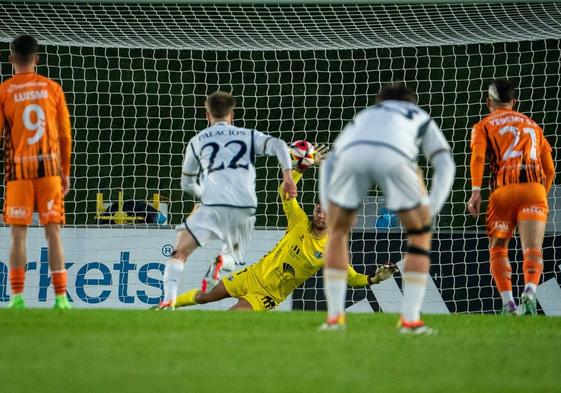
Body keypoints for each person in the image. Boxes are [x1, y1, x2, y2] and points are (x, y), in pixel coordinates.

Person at [172, 147, 398, 311]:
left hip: (268, 295)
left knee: (230, 319)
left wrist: (373, 279)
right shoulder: (299, 221)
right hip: (252, 275)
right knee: (203, 297)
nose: (321, 215)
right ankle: (164, 308)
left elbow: (352, 278)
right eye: (319, 209)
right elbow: (285, 192)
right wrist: (301, 167)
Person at [319, 84, 455, 333]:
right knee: (419, 235)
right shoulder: (418, 115)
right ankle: (410, 320)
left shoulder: (365, 115)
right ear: (412, 102)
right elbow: (444, 162)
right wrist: (431, 207)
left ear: (379, 101)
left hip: (353, 156)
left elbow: (330, 161)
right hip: (395, 156)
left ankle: (334, 318)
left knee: (337, 233)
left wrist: (327, 203)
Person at [158, 91, 297, 309]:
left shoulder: (197, 141)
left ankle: (169, 299)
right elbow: (279, 144)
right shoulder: (248, 135)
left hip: (212, 204)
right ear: (232, 114)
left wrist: (202, 194)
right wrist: (288, 175)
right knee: (231, 255)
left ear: (207, 115)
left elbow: (186, 184)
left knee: (180, 251)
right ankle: (222, 261)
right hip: (244, 207)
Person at [467, 79, 555, 316]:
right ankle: (529, 291)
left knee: (498, 248)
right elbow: (550, 170)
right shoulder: (533, 126)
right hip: (534, 189)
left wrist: (476, 191)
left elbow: (478, 159)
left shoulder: (484, 125)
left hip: (503, 191)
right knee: (533, 249)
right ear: (514, 102)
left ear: (488, 102)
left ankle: (509, 303)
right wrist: (539, 197)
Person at [0, 35, 72, 309]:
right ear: (37, 59)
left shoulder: (5, 91)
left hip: (19, 171)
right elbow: (65, 135)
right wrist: (64, 171)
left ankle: (17, 298)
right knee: (52, 231)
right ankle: (61, 298)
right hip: (49, 170)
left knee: (18, 234)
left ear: (10, 59)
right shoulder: (52, 89)